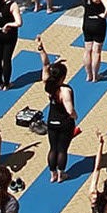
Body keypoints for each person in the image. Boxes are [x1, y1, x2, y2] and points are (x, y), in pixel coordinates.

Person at [37, 48, 77, 182]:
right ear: (63, 77)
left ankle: (52, 174)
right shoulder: (65, 90)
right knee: (62, 149)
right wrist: (75, 116)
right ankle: (61, 174)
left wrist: (41, 50)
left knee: (53, 148)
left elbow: (45, 66)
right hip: (65, 123)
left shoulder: (49, 87)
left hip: (52, 121)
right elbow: (69, 109)